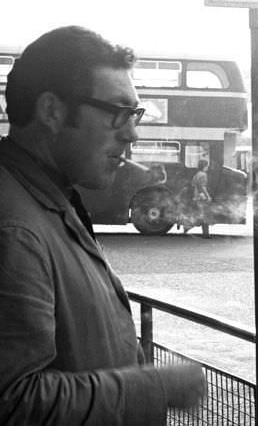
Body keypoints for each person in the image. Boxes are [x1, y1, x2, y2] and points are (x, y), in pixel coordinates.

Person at [0, 26, 207, 424]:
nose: (132, 133)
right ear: (52, 111)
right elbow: (14, 401)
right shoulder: (14, 229)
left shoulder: (43, 197)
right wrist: (155, 388)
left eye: (135, 114)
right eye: (117, 112)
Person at [190, 159, 212, 238]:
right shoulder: (203, 175)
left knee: (201, 215)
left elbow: (193, 185)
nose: (208, 167)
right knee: (205, 215)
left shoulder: (196, 174)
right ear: (204, 166)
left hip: (196, 197)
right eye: (207, 165)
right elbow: (203, 187)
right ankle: (206, 234)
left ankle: (189, 226)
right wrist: (208, 196)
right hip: (201, 197)